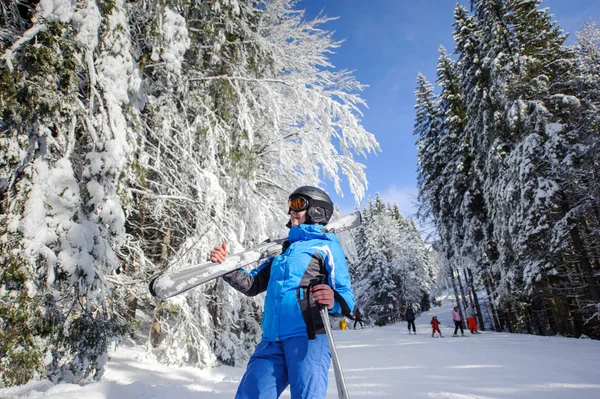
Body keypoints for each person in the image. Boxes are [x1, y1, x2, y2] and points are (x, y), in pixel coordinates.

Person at [210, 186, 354, 399]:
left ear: (317, 210)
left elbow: (347, 300)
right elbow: (252, 284)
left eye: (297, 204)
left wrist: (333, 300)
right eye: (289, 205)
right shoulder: (282, 251)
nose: (291, 211)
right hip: (271, 340)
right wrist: (226, 266)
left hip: (307, 340)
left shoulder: (326, 248)